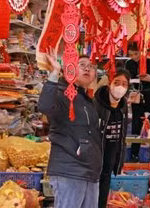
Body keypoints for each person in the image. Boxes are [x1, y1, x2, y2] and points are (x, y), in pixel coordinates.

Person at [38, 53, 102, 208]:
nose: (88, 68)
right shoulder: (61, 92)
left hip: (89, 172)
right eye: (82, 64)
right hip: (69, 170)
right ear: (70, 69)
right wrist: (54, 73)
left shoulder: (87, 100)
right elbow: (44, 106)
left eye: (91, 66)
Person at [94, 68, 130, 208]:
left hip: (112, 149)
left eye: (124, 84)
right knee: (94, 186)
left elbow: (123, 131)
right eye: (117, 82)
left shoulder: (123, 104)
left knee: (105, 183)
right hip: (97, 151)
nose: (120, 87)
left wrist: (119, 158)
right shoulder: (97, 102)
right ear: (109, 83)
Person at [125, 42, 150, 162]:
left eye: (136, 54)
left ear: (141, 51)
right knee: (136, 126)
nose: (134, 57)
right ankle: (134, 155)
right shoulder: (128, 63)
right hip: (137, 98)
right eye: (131, 55)